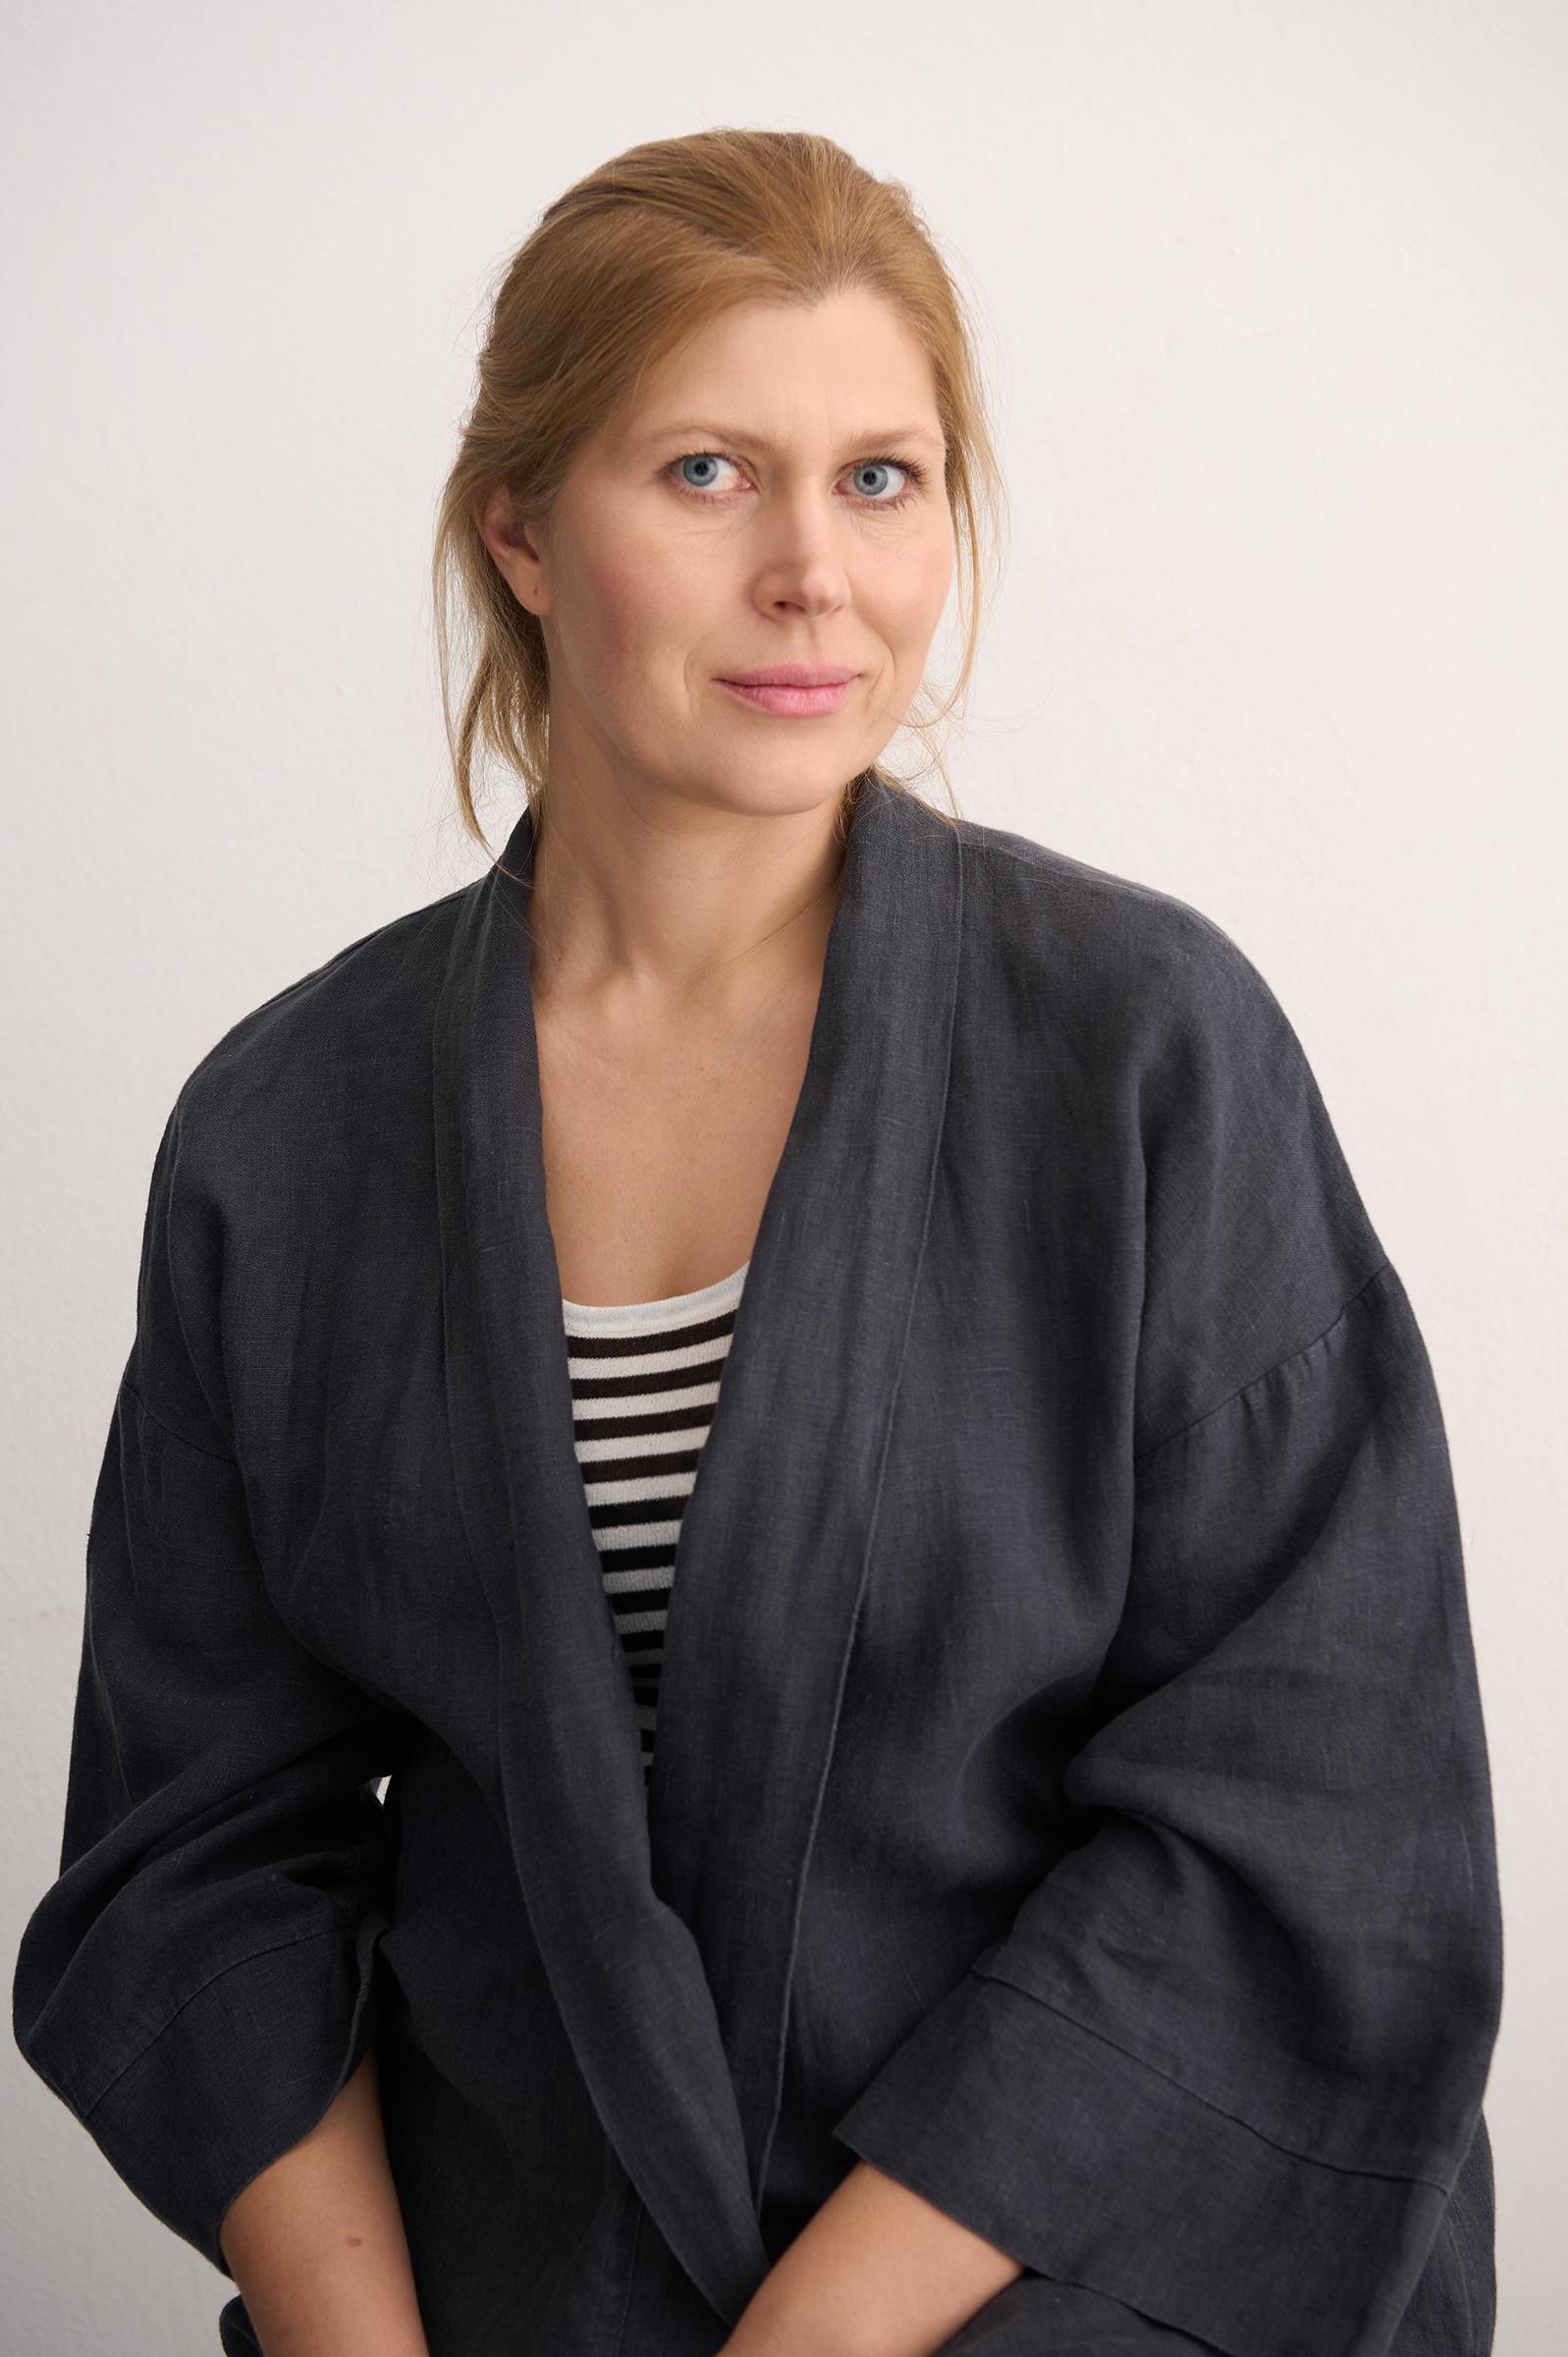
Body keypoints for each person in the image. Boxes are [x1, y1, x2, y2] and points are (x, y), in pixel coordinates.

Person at [12, 129, 1501, 2357]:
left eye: (881, 479)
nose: (814, 573)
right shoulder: (287, 1134)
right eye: (707, 474)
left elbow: (1306, 1812)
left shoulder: (1144, 1055)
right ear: (521, 529)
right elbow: (201, 1853)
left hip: (1080, 2292)